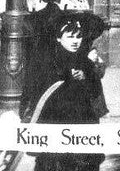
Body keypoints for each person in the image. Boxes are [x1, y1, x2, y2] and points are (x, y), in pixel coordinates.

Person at [22, 11, 108, 171]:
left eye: (79, 36)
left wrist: (86, 75)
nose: (75, 41)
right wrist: (64, 76)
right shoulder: (48, 59)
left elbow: (95, 87)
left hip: (83, 120)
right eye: (70, 37)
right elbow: (39, 89)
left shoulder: (85, 59)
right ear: (58, 38)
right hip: (55, 119)